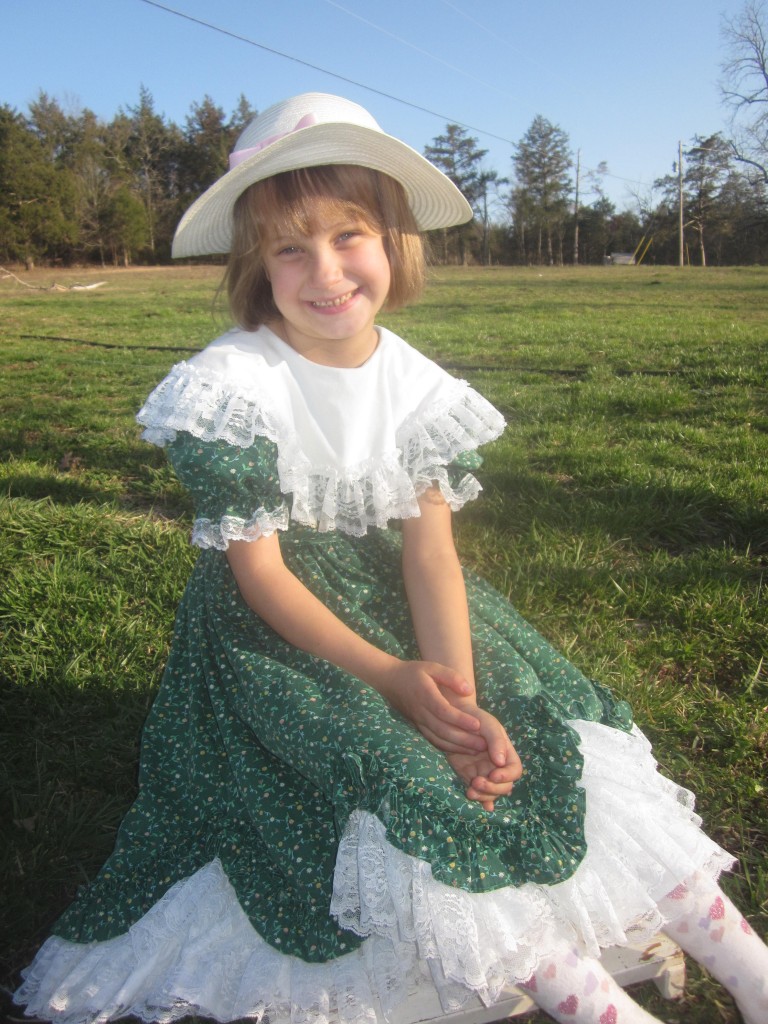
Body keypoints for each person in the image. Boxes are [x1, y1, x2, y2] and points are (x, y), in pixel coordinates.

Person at [14, 92, 768, 1024]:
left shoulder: (417, 384)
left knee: (540, 732)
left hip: (401, 605)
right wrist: (390, 682)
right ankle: (591, 1003)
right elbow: (259, 574)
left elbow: (430, 558)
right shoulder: (233, 382)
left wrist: (454, 690)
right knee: (402, 778)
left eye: (348, 236)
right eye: (290, 248)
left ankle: (751, 970)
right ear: (256, 264)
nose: (324, 271)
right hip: (283, 636)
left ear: (395, 241)